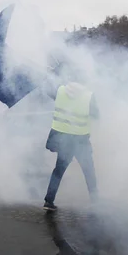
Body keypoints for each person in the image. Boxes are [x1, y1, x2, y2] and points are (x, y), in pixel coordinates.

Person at [42, 72, 99, 211]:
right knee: (89, 171)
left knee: (58, 171)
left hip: (63, 139)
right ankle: (96, 202)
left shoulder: (60, 91)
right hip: (80, 140)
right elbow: (96, 114)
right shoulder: (88, 96)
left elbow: (47, 90)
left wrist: (48, 75)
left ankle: (48, 201)